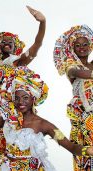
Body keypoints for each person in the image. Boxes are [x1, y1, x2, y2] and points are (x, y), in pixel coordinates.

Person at [0, 5, 46, 159]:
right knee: (1, 144)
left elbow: (37, 44)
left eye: (10, 42)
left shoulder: (19, 61)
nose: (6, 43)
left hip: (19, 107)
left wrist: (42, 22)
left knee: (20, 145)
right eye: (3, 41)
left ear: (14, 45)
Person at [53, 25, 93, 170]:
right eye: (78, 45)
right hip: (84, 116)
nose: (82, 47)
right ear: (72, 48)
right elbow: (74, 72)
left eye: (85, 44)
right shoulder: (71, 64)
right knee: (86, 153)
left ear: (90, 46)